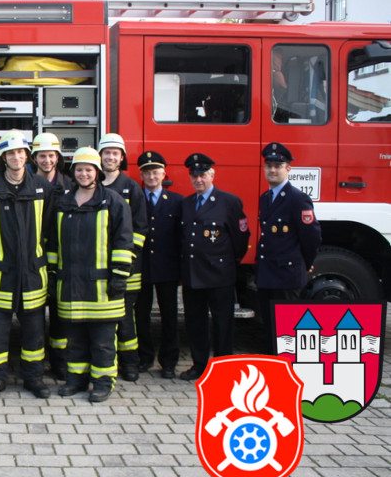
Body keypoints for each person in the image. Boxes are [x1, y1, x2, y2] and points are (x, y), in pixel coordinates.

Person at [0, 130, 54, 400]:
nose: (16, 157)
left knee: (34, 333)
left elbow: (51, 231)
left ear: (27, 155)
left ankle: (34, 378)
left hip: (32, 275)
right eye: (10, 153)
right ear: (2, 157)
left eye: (20, 152)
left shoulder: (42, 187)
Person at [46, 147, 133, 403]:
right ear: (73, 172)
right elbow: (53, 243)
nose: (84, 173)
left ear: (97, 172)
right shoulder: (64, 202)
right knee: (75, 341)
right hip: (71, 285)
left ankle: (103, 383)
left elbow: (124, 240)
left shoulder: (114, 201)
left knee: (103, 342)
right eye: (79, 169)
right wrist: (53, 273)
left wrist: (119, 276)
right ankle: (76, 380)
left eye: (89, 169)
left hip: (103, 287)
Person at [179, 153, 250, 381]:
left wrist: (229, 262)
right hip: (193, 275)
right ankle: (199, 366)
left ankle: (224, 370)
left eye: (202, 175)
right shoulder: (187, 203)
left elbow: (240, 238)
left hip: (220, 275)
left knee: (222, 324)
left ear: (212, 175)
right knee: (195, 323)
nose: (198, 179)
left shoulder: (229, 202)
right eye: (194, 175)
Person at [256, 142, 321, 354]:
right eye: (269, 166)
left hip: (287, 275)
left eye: (278, 166)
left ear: (288, 169)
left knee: (286, 333)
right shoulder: (265, 198)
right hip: (268, 274)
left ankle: (289, 376)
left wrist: (306, 263)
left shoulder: (297, 199)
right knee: (269, 329)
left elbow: (311, 236)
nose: (272, 170)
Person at [99, 133, 148, 382]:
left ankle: (130, 364)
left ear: (121, 158)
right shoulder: (91, 187)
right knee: (101, 320)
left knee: (125, 319)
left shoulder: (131, 187)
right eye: (106, 153)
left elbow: (140, 229)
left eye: (115, 153)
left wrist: (127, 259)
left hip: (127, 268)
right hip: (98, 268)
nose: (110, 157)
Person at [134, 151, 183, 379]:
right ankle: (144, 358)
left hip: (167, 268)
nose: (151, 176)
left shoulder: (177, 201)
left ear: (164, 173)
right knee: (140, 316)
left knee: (170, 317)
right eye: (147, 172)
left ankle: (169, 362)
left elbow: (182, 237)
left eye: (155, 172)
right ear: (141, 175)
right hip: (140, 268)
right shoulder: (136, 199)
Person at [31, 132, 74, 380]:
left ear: (57, 157)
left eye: (51, 155)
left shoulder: (69, 185)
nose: (47, 160)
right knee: (35, 314)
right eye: (42, 156)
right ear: (34, 158)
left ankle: (59, 363)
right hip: (35, 256)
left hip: (61, 258)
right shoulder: (27, 183)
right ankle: (37, 360)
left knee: (59, 314)